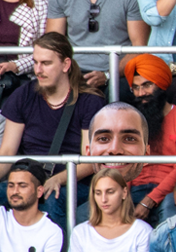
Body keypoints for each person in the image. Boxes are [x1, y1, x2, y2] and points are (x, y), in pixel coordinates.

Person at [0, 32, 105, 230]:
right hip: (28, 179)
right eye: (35, 62)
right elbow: (7, 152)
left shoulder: (90, 102)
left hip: (73, 182)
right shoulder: (25, 94)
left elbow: (91, 161)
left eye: (46, 63)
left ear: (66, 65)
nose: (38, 70)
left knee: (51, 199)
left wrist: (57, 179)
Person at [124, 58, 176, 224]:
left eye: (147, 85)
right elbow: (123, 163)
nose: (141, 93)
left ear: (161, 85)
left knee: (170, 211)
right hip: (133, 188)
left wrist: (149, 200)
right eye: (136, 88)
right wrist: (123, 196)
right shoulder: (128, 120)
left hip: (169, 190)